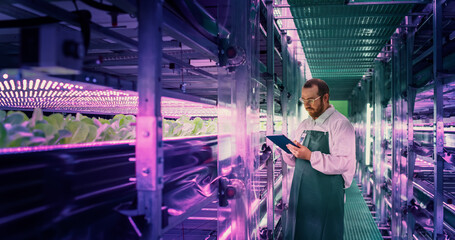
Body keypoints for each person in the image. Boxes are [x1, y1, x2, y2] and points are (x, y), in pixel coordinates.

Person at [282, 78, 356, 240]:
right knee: (297, 231)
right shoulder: (304, 124)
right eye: (304, 100)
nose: (307, 104)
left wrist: (310, 156)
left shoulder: (341, 124)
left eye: (311, 100)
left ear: (325, 98)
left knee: (324, 234)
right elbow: (294, 162)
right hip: (300, 192)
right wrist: (289, 151)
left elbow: (344, 163)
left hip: (326, 195)